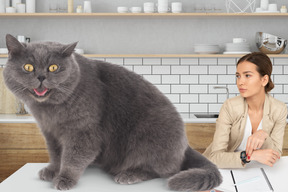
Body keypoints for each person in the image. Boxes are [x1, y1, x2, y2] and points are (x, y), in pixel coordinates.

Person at [203, 52, 287, 168]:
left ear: (264, 80)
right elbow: (215, 157)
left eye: (247, 75)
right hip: (226, 169)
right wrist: (248, 156)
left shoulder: (279, 109)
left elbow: (276, 155)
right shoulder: (230, 106)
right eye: (238, 76)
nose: (240, 82)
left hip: (258, 170)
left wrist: (264, 135)